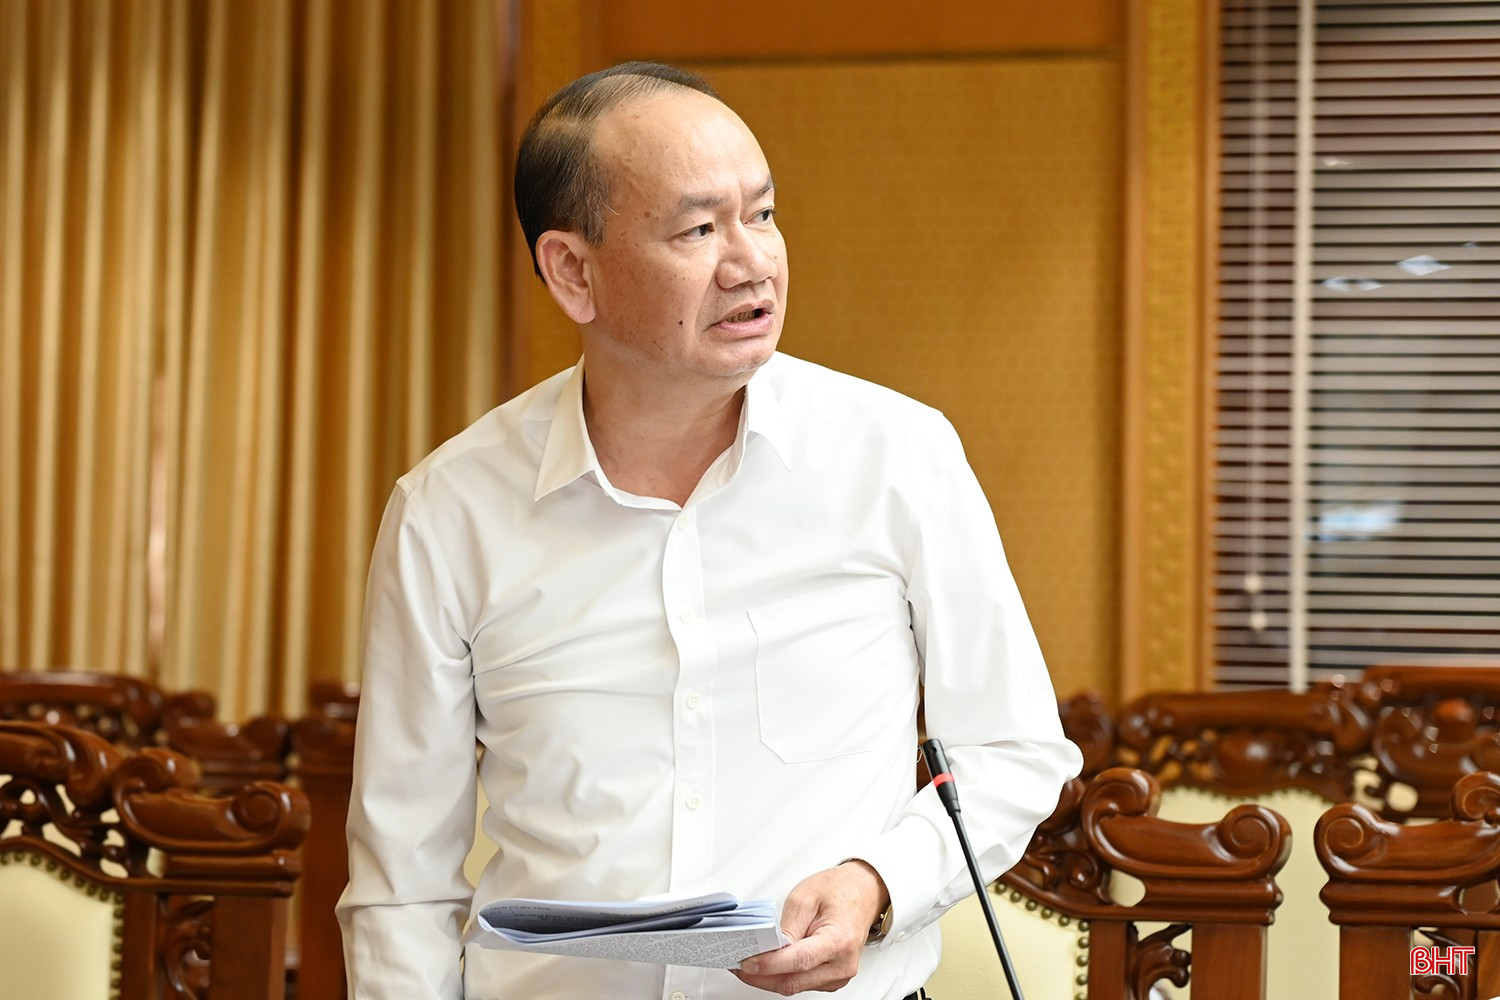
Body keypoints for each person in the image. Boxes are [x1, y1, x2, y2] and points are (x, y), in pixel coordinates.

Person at [337, 61, 1082, 1000]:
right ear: (572, 271)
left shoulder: (897, 456)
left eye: (761, 215)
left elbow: (1015, 753)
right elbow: (402, 883)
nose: (752, 262)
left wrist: (878, 884)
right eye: (699, 229)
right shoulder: (449, 512)